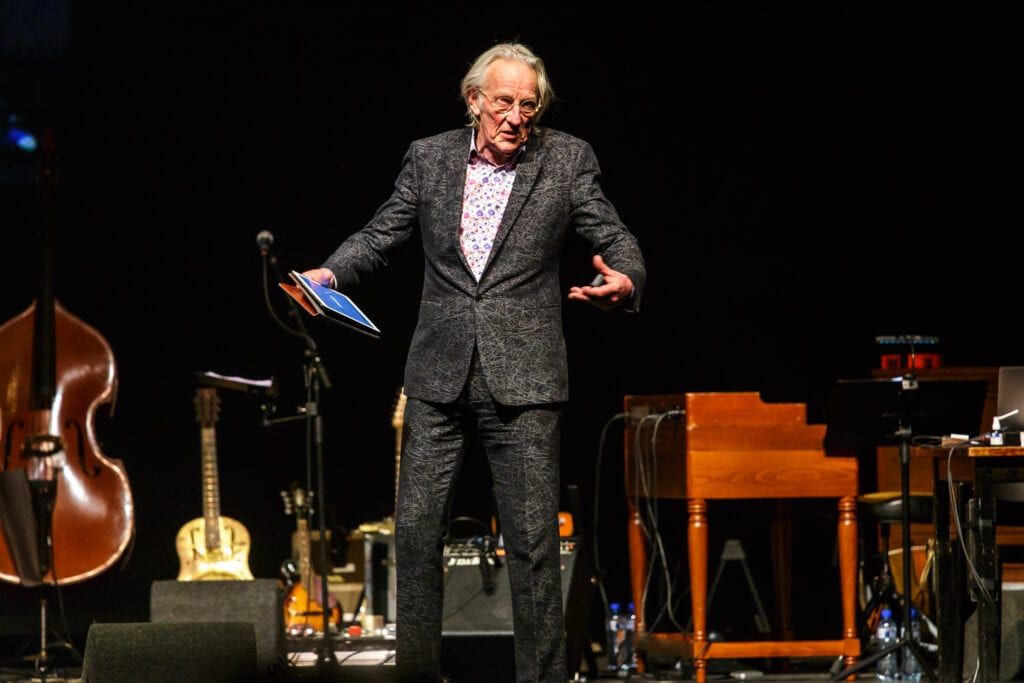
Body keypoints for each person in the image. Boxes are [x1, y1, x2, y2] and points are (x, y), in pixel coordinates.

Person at [301, 41, 645, 683]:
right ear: (474, 100)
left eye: (528, 105)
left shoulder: (566, 159)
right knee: (415, 537)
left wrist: (626, 277)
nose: (516, 117)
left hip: (526, 379)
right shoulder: (429, 157)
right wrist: (331, 271)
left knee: (534, 546)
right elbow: (381, 233)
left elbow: (614, 234)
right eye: (504, 102)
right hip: (438, 377)